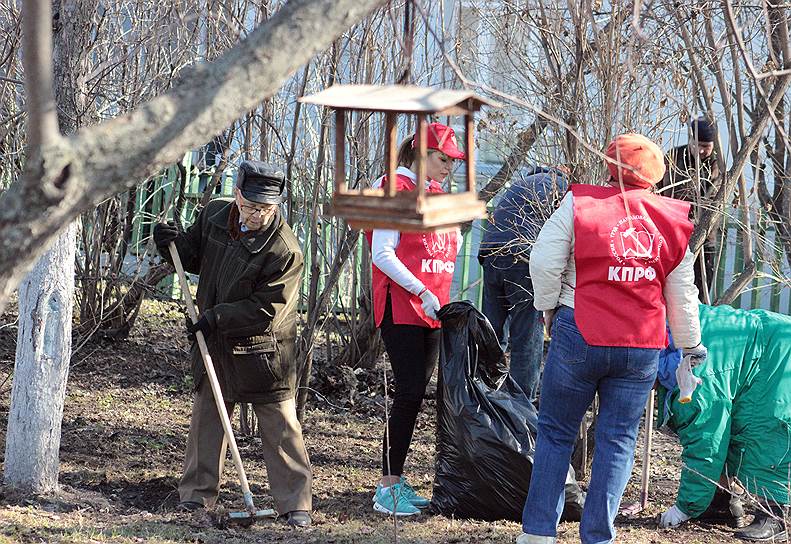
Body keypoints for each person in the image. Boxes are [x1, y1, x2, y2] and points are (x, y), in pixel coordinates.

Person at [518, 134, 707, 544]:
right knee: (618, 440)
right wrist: (691, 344)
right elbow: (681, 290)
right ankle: (598, 537)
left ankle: (537, 534)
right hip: (640, 344)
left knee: (554, 433)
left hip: (579, 330)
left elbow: (544, 258)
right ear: (656, 175)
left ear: (610, 167)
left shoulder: (581, 203)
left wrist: (548, 307)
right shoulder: (673, 219)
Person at [152, 160, 313, 527]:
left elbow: (267, 308)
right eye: (252, 205)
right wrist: (171, 243)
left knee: (279, 424)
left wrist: (216, 317)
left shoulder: (284, 250)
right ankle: (196, 495)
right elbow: (192, 257)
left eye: (266, 208)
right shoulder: (214, 216)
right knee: (208, 415)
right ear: (237, 194)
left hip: (263, 349)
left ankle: (295, 503)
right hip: (215, 342)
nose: (258, 214)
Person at [367, 122, 464, 517]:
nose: (448, 168)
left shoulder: (438, 195)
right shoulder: (396, 188)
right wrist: (421, 290)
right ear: (421, 153)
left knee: (418, 393)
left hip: (433, 310)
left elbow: (447, 247)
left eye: (453, 162)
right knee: (408, 392)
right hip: (402, 306)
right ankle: (387, 486)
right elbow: (382, 254)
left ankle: (398, 481)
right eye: (443, 159)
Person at [656, 303, 791, 542]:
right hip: (766, 344)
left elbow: (707, 442)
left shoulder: (693, 374)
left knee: (769, 428)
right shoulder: (677, 330)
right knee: (739, 422)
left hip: (779, 354)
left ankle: (774, 517)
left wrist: (685, 507)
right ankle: (721, 503)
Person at [478, 167, 568, 401]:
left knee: (492, 331)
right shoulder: (561, 186)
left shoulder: (522, 183)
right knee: (526, 335)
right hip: (522, 256)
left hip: (490, 253)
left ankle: (482, 394)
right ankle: (520, 405)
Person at [658, 116, 721, 301]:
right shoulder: (672, 158)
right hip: (670, 236)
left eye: (706, 146)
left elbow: (709, 204)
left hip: (703, 240)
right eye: (697, 144)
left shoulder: (717, 166)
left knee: (699, 292)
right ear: (690, 140)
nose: (701, 150)